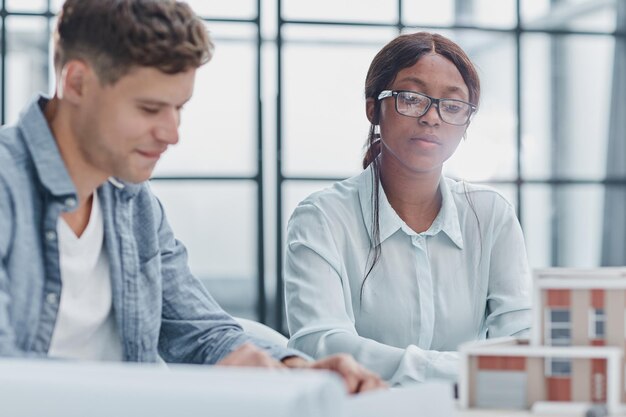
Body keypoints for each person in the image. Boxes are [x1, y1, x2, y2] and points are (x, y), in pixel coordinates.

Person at [0, 0, 384, 393]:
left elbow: (199, 329)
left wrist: (297, 370)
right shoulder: (7, 187)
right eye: (150, 109)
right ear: (77, 82)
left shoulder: (132, 203)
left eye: (179, 108)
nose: (172, 134)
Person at [284, 31, 532, 386]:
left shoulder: (491, 215)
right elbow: (320, 343)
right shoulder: (321, 219)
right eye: (412, 98)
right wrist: (461, 371)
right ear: (374, 108)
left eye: (452, 105)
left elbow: (521, 337)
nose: (432, 117)